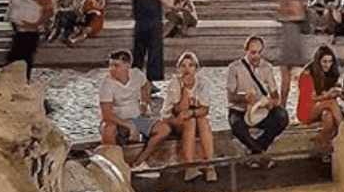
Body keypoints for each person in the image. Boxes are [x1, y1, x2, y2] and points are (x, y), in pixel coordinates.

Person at [133, 51, 216, 181]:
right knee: (191, 122)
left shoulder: (203, 83)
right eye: (183, 66)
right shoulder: (174, 83)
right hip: (171, 117)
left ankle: (210, 164)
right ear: (178, 68)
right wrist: (185, 91)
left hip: (190, 116)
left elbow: (205, 109)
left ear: (196, 68)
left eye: (190, 65)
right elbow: (178, 109)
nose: (187, 69)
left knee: (202, 120)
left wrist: (192, 112)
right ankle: (189, 166)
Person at [226, 36, 289, 167]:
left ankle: (255, 152)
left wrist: (272, 102)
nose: (256, 56)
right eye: (253, 52)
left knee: (282, 117)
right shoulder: (234, 67)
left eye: (259, 53)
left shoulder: (266, 67)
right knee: (237, 125)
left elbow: (274, 92)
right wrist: (245, 98)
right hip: (240, 110)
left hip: (261, 110)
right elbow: (230, 97)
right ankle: (261, 154)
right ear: (246, 50)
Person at [98, 49, 157, 152]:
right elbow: (107, 115)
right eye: (110, 65)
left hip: (137, 118)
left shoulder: (137, 75)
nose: (111, 69)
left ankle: (144, 158)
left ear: (127, 66)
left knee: (163, 128)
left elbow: (146, 86)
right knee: (109, 128)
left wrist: (143, 103)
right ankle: (110, 157)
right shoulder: (106, 84)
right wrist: (129, 126)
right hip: (118, 122)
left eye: (116, 66)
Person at [5, 0, 48, 80]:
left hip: (27, 32)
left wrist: (37, 24)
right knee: (14, 63)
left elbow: (47, 6)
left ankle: (22, 88)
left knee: (21, 63)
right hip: (19, 30)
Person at [296, 45, 343, 160]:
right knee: (330, 103)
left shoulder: (331, 73)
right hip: (306, 109)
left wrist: (338, 92)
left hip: (321, 108)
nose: (327, 65)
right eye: (324, 61)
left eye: (330, 61)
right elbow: (310, 98)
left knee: (328, 114)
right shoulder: (307, 74)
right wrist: (328, 95)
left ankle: (325, 147)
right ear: (318, 61)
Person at [132, 0, 171, 83]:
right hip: (153, 24)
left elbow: (135, 9)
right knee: (154, 53)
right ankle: (150, 81)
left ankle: (134, 78)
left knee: (139, 52)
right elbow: (170, 3)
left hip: (140, 24)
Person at [276, 0, 307, 108]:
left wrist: (284, 16)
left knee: (291, 73)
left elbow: (300, 15)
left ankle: (299, 103)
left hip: (291, 33)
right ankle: (283, 105)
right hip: (287, 33)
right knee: (286, 74)